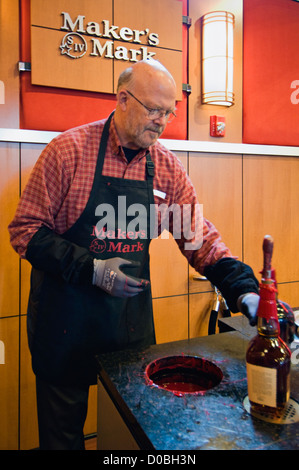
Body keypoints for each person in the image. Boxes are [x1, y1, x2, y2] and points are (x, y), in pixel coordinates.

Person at [8, 59, 259, 450]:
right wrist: (93, 270)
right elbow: (25, 232)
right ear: (123, 99)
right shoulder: (68, 151)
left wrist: (244, 290)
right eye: (154, 110)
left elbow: (199, 237)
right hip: (64, 322)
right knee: (61, 439)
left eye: (169, 112)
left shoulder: (166, 168)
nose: (162, 121)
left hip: (127, 327)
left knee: (124, 434)